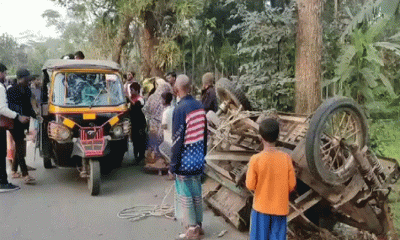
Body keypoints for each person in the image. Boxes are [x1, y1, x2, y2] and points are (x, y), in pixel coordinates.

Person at [246, 118, 296, 240]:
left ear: (260, 137)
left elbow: (250, 185)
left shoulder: (255, 159)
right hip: (280, 210)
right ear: (277, 136)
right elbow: (292, 184)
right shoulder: (286, 158)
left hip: (261, 210)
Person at [170, 74, 207, 239]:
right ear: (190, 87)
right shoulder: (199, 106)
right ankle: (199, 225)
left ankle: (192, 229)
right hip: (199, 158)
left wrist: (172, 165)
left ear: (177, 89)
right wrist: (203, 155)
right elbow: (205, 135)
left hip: (185, 161)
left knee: (186, 195)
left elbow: (177, 140)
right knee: (197, 192)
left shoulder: (179, 109)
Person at [0, 63, 29, 192]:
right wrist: (18, 116)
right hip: (4, 123)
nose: (5, 75)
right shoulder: (2, 87)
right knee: (2, 153)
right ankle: (3, 182)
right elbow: (2, 109)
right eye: (4, 72)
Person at [7, 68, 37, 184]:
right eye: (27, 79)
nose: (29, 81)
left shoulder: (27, 90)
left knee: (19, 146)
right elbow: (10, 107)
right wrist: (20, 116)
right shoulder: (11, 91)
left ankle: (14, 170)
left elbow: (28, 107)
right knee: (20, 147)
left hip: (25, 122)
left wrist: (35, 115)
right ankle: (25, 174)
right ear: (21, 78)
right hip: (14, 122)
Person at [142, 79, 172, 165]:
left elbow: (144, 109)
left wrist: (149, 118)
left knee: (152, 143)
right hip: (162, 124)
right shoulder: (165, 98)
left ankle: (152, 162)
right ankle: (162, 163)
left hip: (152, 123)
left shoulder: (152, 97)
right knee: (161, 143)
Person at [128, 82, 147, 164]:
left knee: (140, 139)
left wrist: (129, 100)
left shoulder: (140, 99)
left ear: (136, 90)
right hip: (134, 123)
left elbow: (136, 106)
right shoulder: (131, 99)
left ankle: (141, 156)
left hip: (140, 123)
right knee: (135, 140)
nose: (131, 92)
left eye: (132, 90)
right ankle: (136, 156)